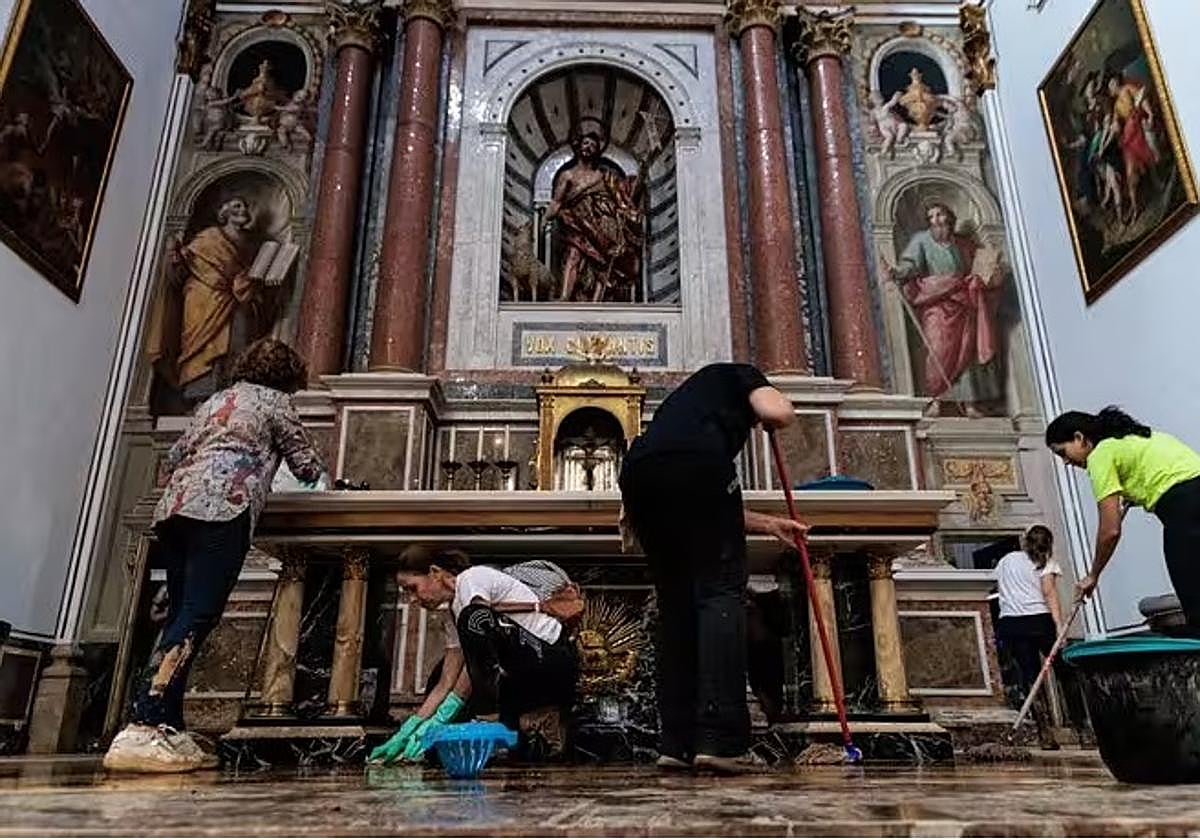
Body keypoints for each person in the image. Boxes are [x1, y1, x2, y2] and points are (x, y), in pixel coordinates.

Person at [104, 339, 326, 773]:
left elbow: (175, 454)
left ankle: (169, 726)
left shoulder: (216, 400)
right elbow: (305, 466)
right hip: (222, 510)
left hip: (174, 509)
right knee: (198, 615)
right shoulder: (276, 402)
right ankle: (143, 724)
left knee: (180, 615)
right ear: (289, 376)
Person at [618, 363, 808, 774]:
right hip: (697, 471)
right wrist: (778, 409)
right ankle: (721, 741)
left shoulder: (687, 408)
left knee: (677, 607)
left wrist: (767, 523)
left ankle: (677, 744)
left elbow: (697, 503)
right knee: (720, 594)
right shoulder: (741, 374)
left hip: (639, 476)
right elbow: (777, 412)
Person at [369, 551, 579, 765]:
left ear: (435, 572)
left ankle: (490, 715)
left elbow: (474, 661)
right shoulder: (453, 616)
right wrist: (413, 727)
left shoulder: (472, 578)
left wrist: (443, 716)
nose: (413, 599)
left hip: (550, 659)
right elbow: (446, 682)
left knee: (475, 618)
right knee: (439, 674)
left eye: (412, 588)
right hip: (516, 675)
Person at [1046, 407, 1200, 625]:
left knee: (1194, 596)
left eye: (1063, 452)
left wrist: (1093, 575)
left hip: (1186, 510)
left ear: (1079, 438)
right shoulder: (1134, 438)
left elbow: (1110, 530)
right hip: (1191, 497)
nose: (1066, 462)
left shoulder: (1100, 455)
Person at [884, 203, 1005, 418]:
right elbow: (910, 264)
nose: (936, 220)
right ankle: (936, 400)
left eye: (940, 215)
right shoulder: (921, 241)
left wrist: (987, 274)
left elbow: (979, 267)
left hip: (963, 302)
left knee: (966, 353)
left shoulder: (963, 244)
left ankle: (969, 403)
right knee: (937, 350)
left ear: (949, 218)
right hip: (936, 304)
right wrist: (898, 272)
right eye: (931, 217)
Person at [994, 525, 1063, 750]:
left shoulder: (1006, 560)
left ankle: (1044, 731)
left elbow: (998, 585)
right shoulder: (1046, 562)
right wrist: (1059, 626)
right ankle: (1084, 729)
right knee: (1065, 672)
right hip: (1039, 620)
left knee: (1030, 676)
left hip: (1011, 623)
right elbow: (1049, 592)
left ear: (1025, 541)